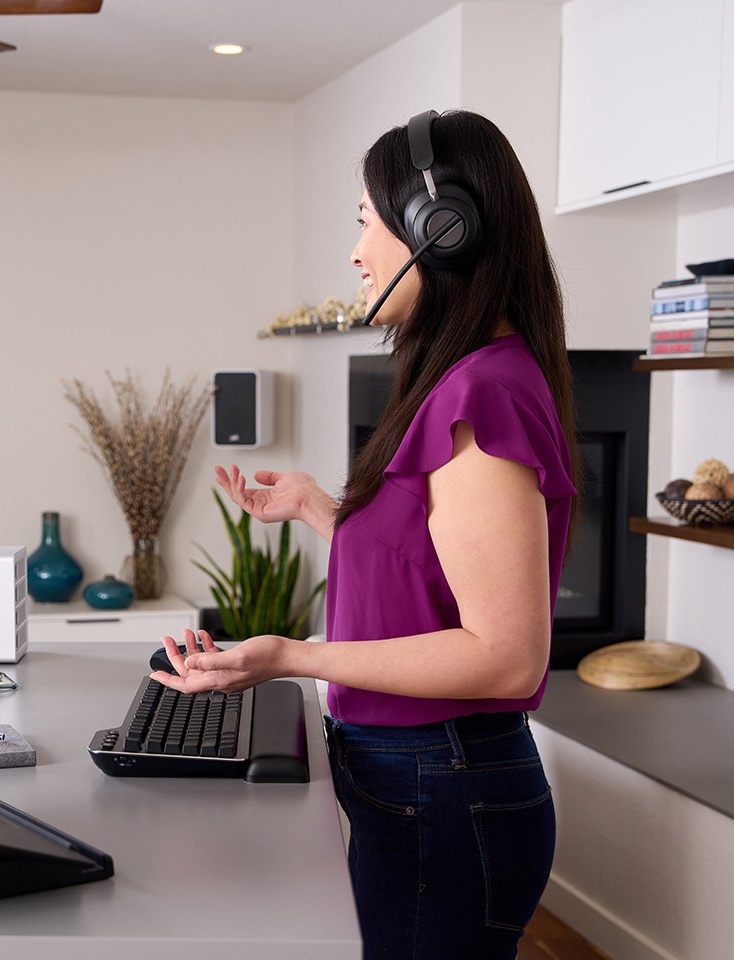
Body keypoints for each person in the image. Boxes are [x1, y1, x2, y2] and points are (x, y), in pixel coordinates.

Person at [153, 110, 579, 960]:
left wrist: (291, 655)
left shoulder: (481, 395)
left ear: (440, 230)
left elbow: (504, 655)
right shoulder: (461, 377)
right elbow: (433, 567)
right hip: (425, 782)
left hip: (446, 788)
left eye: (366, 223)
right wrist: (321, 509)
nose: (356, 253)